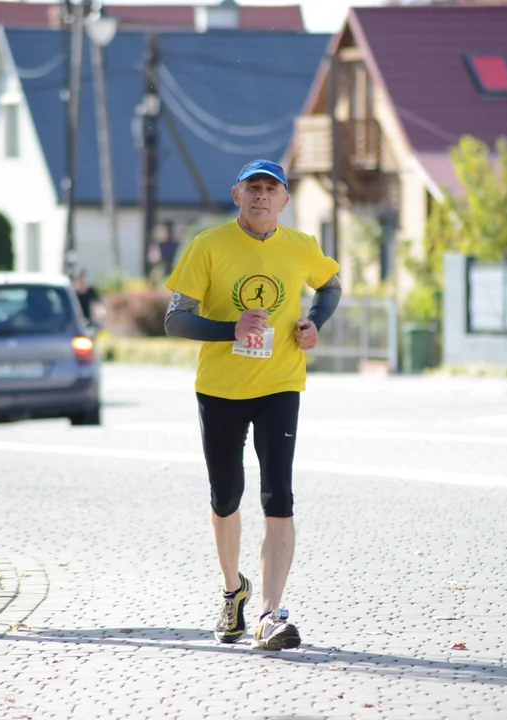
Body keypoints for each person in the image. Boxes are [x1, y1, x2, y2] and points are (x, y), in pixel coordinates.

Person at [164, 159, 342, 650]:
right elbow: (176, 320)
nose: (262, 196)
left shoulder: (302, 247)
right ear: (237, 195)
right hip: (220, 388)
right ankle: (232, 591)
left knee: (277, 496)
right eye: (254, 188)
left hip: (280, 384)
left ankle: (270, 614)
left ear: (285, 200)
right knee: (225, 496)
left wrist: (314, 322)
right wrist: (231, 329)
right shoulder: (208, 245)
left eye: (272, 189)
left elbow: (330, 285)